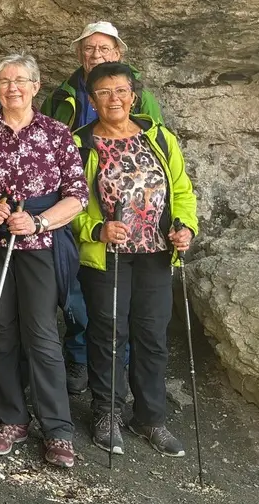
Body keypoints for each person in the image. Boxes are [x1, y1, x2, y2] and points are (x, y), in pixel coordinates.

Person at [0, 53, 88, 469]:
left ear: (35, 85)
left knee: (43, 334)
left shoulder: (57, 133)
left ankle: (58, 429)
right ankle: (11, 418)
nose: (12, 87)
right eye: (5, 81)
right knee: (0, 330)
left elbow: (77, 196)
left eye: (20, 80)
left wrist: (41, 220)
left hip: (39, 247)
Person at [71, 62, 198, 457]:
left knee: (152, 336)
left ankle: (151, 418)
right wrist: (96, 228)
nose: (114, 99)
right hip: (108, 255)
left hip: (157, 254)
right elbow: (70, 202)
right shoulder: (80, 144)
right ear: (92, 100)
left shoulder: (159, 138)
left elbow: (182, 191)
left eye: (121, 91)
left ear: (133, 96)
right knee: (108, 333)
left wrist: (186, 228)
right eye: (104, 93)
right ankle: (107, 412)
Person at [41, 21, 163, 394]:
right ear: (79, 54)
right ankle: (80, 359)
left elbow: (158, 146)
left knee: (125, 307)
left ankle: (119, 370)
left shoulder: (138, 93)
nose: (97, 55)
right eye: (89, 49)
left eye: (104, 49)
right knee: (77, 292)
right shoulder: (62, 94)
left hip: (133, 223)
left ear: (118, 53)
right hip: (75, 207)